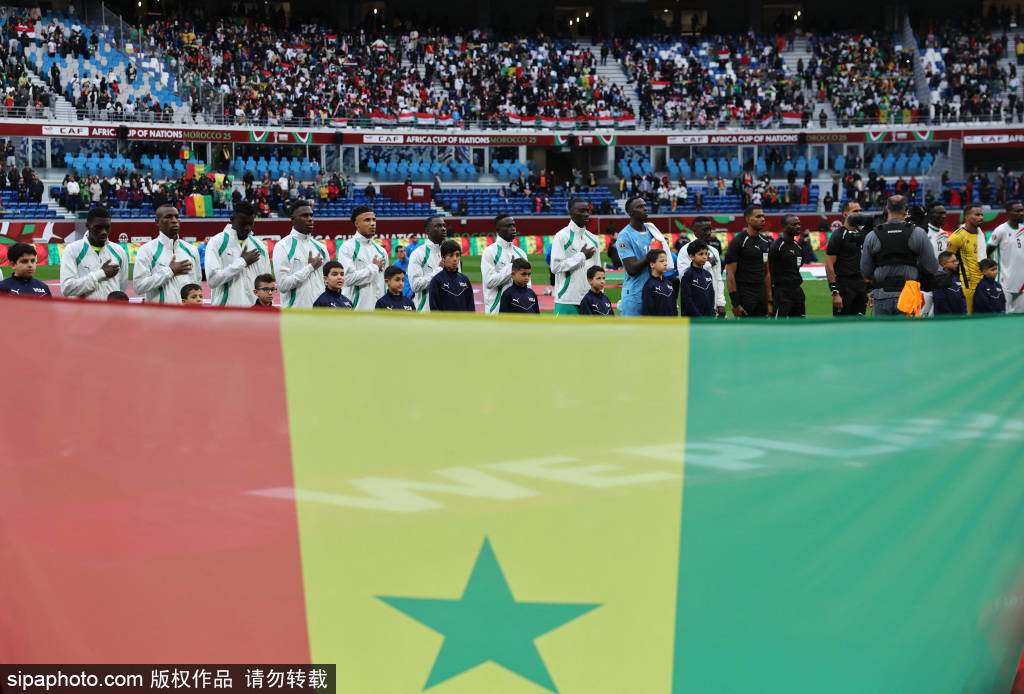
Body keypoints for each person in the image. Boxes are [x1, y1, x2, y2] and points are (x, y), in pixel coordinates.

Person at [860, 196, 940, 316]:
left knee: (883, 329)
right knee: (908, 329)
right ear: (906, 211)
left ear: (887, 209)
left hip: (882, 294)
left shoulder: (872, 235)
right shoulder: (918, 233)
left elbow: (865, 271)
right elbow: (932, 267)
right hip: (909, 294)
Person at [204, 201, 271, 307]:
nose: (247, 228)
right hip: (226, 313)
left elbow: (267, 283)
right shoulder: (217, 242)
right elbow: (212, 281)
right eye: (243, 223)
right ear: (232, 219)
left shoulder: (260, 246)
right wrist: (242, 262)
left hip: (255, 312)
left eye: (251, 224)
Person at [617, 196, 675, 316]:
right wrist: (653, 253)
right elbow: (631, 269)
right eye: (640, 207)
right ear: (630, 212)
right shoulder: (624, 236)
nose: (645, 208)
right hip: (635, 293)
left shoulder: (652, 231)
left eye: (645, 205)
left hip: (656, 290)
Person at [132, 205, 202, 304]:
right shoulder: (147, 250)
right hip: (159, 313)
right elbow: (139, 287)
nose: (174, 220)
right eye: (168, 217)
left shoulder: (192, 250)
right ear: (157, 221)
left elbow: (197, 286)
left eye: (177, 217)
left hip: (186, 313)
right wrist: (170, 271)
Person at [60, 206, 130, 300]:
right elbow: (67, 288)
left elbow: (122, 287)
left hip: (110, 309)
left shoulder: (119, 251)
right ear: (88, 226)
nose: (104, 232)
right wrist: (101, 274)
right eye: (98, 227)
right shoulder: (72, 250)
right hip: (83, 310)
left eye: (107, 227)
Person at [272, 200, 329, 309]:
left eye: (311, 215)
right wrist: (310, 268)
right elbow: (283, 285)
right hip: (295, 315)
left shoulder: (321, 248)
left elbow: (328, 282)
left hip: (321, 314)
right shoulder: (283, 246)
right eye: (305, 216)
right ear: (293, 219)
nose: (310, 219)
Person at [550, 199, 601, 315]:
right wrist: (581, 256)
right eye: (582, 211)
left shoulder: (594, 239)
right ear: (571, 213)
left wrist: (600, 294)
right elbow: (555, 266)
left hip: (590, 300)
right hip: (567, 300)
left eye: (587, 211)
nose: (586, 214)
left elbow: (598, 271)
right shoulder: (562, 236)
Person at [725, 205, 773, 317]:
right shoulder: (738, 242)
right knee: (745, 327)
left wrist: (770, 300)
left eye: (763, 216)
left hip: (761, 294)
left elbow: (767, 272)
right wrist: (735, 303)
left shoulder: (765, 242)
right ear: (748, 220)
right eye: (758, 216)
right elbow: (730, 274)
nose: (762, 219)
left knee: (762, 326)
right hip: (745, 294)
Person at [338, 205, 387, 311]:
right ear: (357, 224)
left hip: (379, 311)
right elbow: (347, 279)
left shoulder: (381, 251)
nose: (372, 223)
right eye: (367, 220)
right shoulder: (347, 248)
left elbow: (385, 283)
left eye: (374, 220)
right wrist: (374, 268)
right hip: (356, 310)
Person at [826, 201, 869, 316]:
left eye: (860, 211)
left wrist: (869, 289)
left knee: (860, 323)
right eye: (855, 211)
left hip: (861, 286)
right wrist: (835, 292)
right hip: (844, 286)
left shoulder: (863, 234)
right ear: (845, 214)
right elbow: (829, 265)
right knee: (842, 325)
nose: (859, 214)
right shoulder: (838, 235)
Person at [481, 214, 529, 315]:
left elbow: (528, 284)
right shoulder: (490, 252)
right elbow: (489, 282)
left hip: (520, 309)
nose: (513, 228)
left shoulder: (521, 253)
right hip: (497, 310)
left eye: (513, 225)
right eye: (508, 226)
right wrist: (511, 268)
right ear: (498, 230)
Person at [946, 204, 988, 314]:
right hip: (966, 285)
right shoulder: (957, 237)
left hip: (982, 283)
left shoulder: (980, 234)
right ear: (967, 217)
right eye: (977, 215)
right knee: (968, 318)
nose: (981, 217)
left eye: (981, 215)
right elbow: (947, 261)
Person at [682, 216, 726, 317]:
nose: (709, 232)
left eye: (710, 229)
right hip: (694, 310)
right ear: (694, 230)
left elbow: (718, 278)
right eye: (705, 229)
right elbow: (684, 277)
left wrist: (720, 303)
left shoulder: (714, 251)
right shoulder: (685, 250)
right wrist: (708, 264)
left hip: (711, 307)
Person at [986, 200, 1024, 313]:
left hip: (1021, 282)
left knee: (1020, 315)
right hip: (1004, 280)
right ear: (1008, 213)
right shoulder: (1000, 230)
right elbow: (988, 251)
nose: (1021, 213)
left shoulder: (1023, 229)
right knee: (1004, 315)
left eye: (1022, 210)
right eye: (1017, 211)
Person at [408, 216, 449, 312]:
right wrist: (438, 271)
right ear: (428, 230)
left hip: (448, 312)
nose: (443, 229)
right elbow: (415, 285)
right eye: (438, 226)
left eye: (444, 225)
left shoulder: (450, 252)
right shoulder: (418, 254)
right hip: (426, 312)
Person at [769, 214, 806, 318]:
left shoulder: (799, 247)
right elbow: (768, 272)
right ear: (784, 227)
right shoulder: (776, 247)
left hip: (797, 292)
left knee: (799, 324)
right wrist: (769, 298)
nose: (798, 226)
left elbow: (798, 267)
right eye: (794, 224)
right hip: (781, 293)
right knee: (779, 325)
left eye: (799, 224)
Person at [428, 240, 475, 311]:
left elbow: (471, 308)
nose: (455, 259)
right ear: (443, 257)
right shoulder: (436, 281)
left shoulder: (465, 280)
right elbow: (434, 309)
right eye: (451, 255)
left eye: (457, 255)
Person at [922, 203, 950, 317]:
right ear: (930, 214)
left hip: (940, 282)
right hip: (925, 283)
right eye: (940, 213)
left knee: (935, 316)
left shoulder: (945, 235)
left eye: (945, 213)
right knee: (922, 316)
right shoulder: (923, 232)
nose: (944, 216)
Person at [679, 240, 715, 317]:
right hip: (693, 319)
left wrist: (712, 314)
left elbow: (711, 296)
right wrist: (698, 317)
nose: (704, 257)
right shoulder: (688, 275)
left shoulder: (708, 275)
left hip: (707, 318)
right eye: (701, 254)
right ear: (691, 256)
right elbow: (687, 300)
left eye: (706, 253)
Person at [641, 249, 676, 316]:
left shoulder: (669, 284)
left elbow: (674, 307)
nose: (665, 264)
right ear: (652, 264)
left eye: (666, 261)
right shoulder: (649, 286)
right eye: (662, 261)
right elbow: (647, 312)